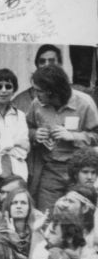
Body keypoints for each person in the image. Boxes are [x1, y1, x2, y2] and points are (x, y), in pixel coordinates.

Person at [26, 64, 98, 212]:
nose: (35, 94)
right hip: (50, 170)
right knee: (47, 214)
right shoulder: (36, 104)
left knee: (78, 215)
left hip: (78, 171)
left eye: (39, 91)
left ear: (52, 91)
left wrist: (73, 136)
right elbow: (25, 129)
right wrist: (34, 134)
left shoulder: (84, 103)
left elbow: (96, 135)